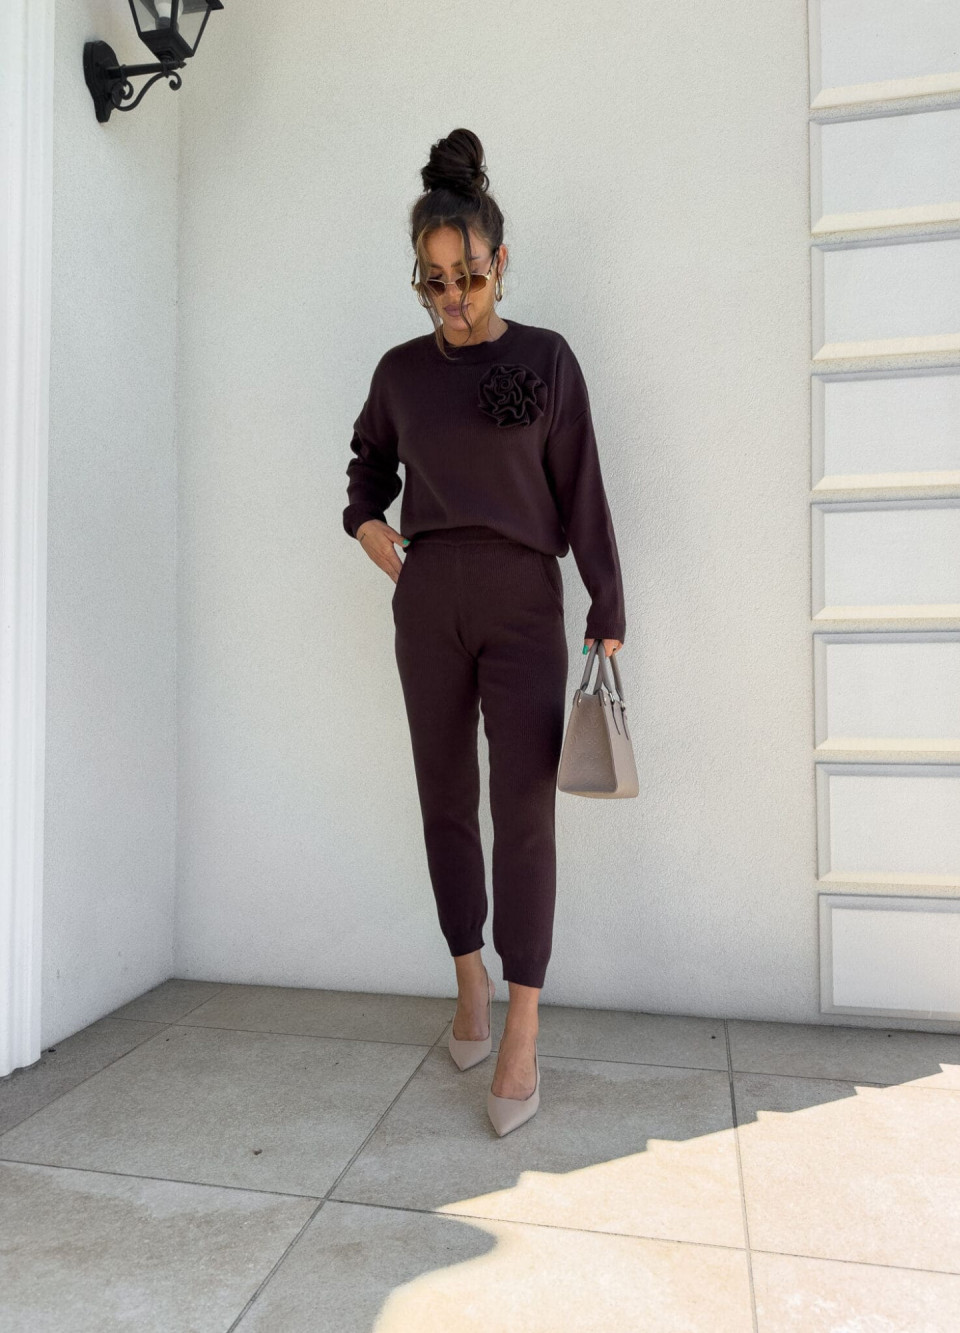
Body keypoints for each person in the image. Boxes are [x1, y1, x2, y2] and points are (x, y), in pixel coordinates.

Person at [343, 128, 626, 1136]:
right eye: (434, 284)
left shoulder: (546, 359)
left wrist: (606, 602)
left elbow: (581, 486)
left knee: (525, 809)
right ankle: (468, 978)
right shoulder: (400, 372)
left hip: (521, 599)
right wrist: (371, 528)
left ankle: (523, 1025)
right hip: (427, 600)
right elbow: (367, 464)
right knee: (444, 798)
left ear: (499, 262)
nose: (453, 300)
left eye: (467, 279)